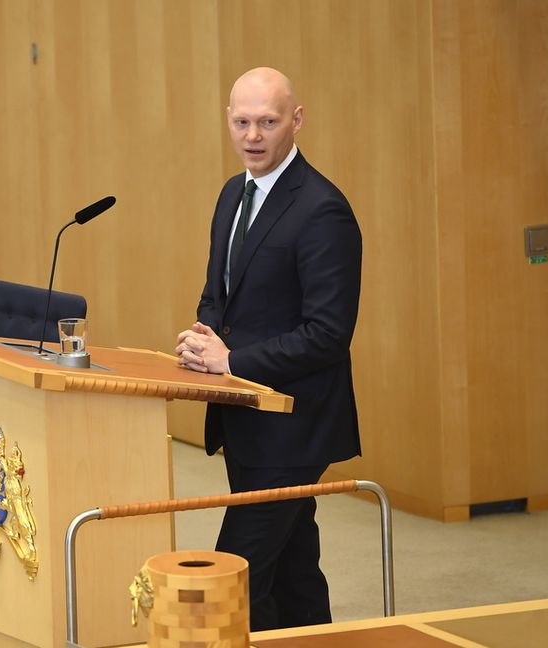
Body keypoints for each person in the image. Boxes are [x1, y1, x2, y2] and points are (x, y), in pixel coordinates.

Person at [175, 67, 362, 630]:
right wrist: (206, 337)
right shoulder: (234, 192)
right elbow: (219, 294)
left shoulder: (322, 209)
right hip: (246, 418)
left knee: (236, 573)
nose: (252, 136)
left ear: (296, 121)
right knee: (293, 570)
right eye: (241, 122)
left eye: (268, 122)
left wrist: (231, 360)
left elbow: (328, 333)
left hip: (294, 426)